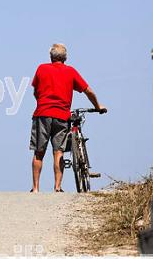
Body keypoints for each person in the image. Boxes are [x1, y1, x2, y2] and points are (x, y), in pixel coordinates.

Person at [30, 43, 107, 193]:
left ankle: (35, 188)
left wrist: (43, 101)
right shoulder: (70, 71)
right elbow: (88, 91)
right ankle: (57, 187)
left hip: (42, 114)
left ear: (50, 57)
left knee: (39, 152)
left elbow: (35, 92)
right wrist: (98, 106)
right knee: (58, 151)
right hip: (61, 115)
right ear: (65, 58)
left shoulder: (41, 68)